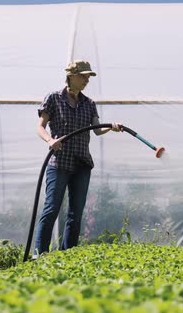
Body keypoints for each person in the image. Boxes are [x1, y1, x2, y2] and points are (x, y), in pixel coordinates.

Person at [34, 59, 122, 257]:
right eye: (83, 76)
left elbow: (97, 130)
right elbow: (40, 126)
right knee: (51, 209)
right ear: (71, 76)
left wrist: (112, 126)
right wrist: (50, 140)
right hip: (59, 163)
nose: (86, 80)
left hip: (82, 164)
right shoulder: (53, 98)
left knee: (75, 213)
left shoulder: (89, 104)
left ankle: (67, 255)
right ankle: (39, 254)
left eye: (88, 77)